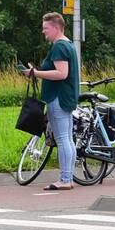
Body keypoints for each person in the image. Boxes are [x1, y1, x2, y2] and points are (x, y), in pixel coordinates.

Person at [25, 12, 79, 191]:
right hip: (66, 97)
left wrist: (35, 73)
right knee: (68, 139)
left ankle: (65, 179)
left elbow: (61, 73)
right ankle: (68, 178)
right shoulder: (69, 45)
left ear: (56, 28)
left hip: (58, 97)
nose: (43, 32)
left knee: (62, 138)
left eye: (46, 28)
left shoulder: (59, 47)